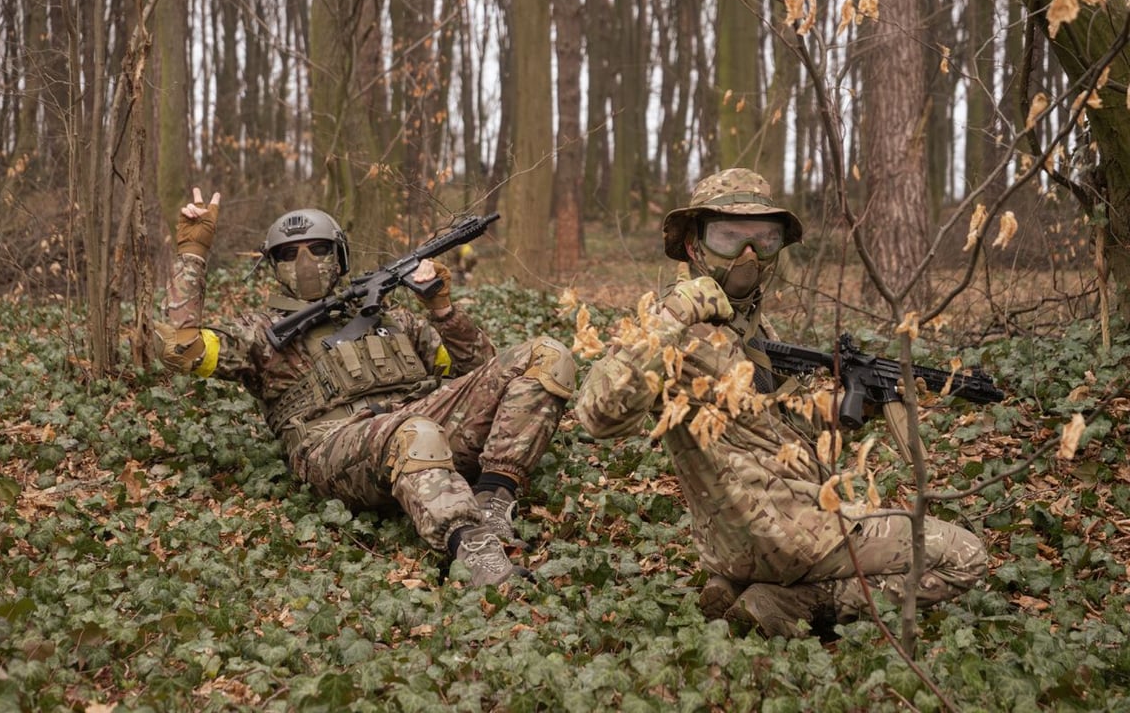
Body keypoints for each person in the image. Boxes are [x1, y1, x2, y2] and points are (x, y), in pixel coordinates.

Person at [573, 168, 988, 638]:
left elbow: (769, 426)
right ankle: (794, 602)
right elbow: (597, 414)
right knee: (966, 557)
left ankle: (741, 586)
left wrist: (847, 406)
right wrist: (674, 312)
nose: (749, 255)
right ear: (694, 246)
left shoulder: (746, 326)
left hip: (734, 543)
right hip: (790, 536)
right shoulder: (672, 327)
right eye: (729, 237)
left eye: (764, 239)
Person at [154, 189, 575, 587]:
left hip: (421, 422)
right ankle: (475, 550)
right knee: (415, 431)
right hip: (334, 448)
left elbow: (484, 373)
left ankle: (494, 497)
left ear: (339, 255)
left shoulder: (393, 319)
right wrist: (193, 252)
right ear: (273, 265)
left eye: (318, 249)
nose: (305, 262)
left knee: (547, 355)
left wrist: (442, 309)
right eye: (288, 254)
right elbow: (179, 348)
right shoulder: (260, 334)